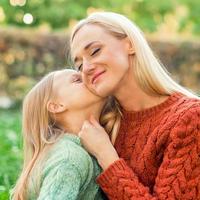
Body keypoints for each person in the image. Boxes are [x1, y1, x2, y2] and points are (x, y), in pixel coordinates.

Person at [70, 12, 200, 199]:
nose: (87, 67)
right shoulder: (100, 127)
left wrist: (107, 156)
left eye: (95, 51)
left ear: (130, 44)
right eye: (79, 66)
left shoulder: (190, 119)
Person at [11, 69, 120, 200]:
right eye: (77, 80)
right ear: (56, 106)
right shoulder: (70, 158)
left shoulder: (70, 151)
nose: (88, 78)